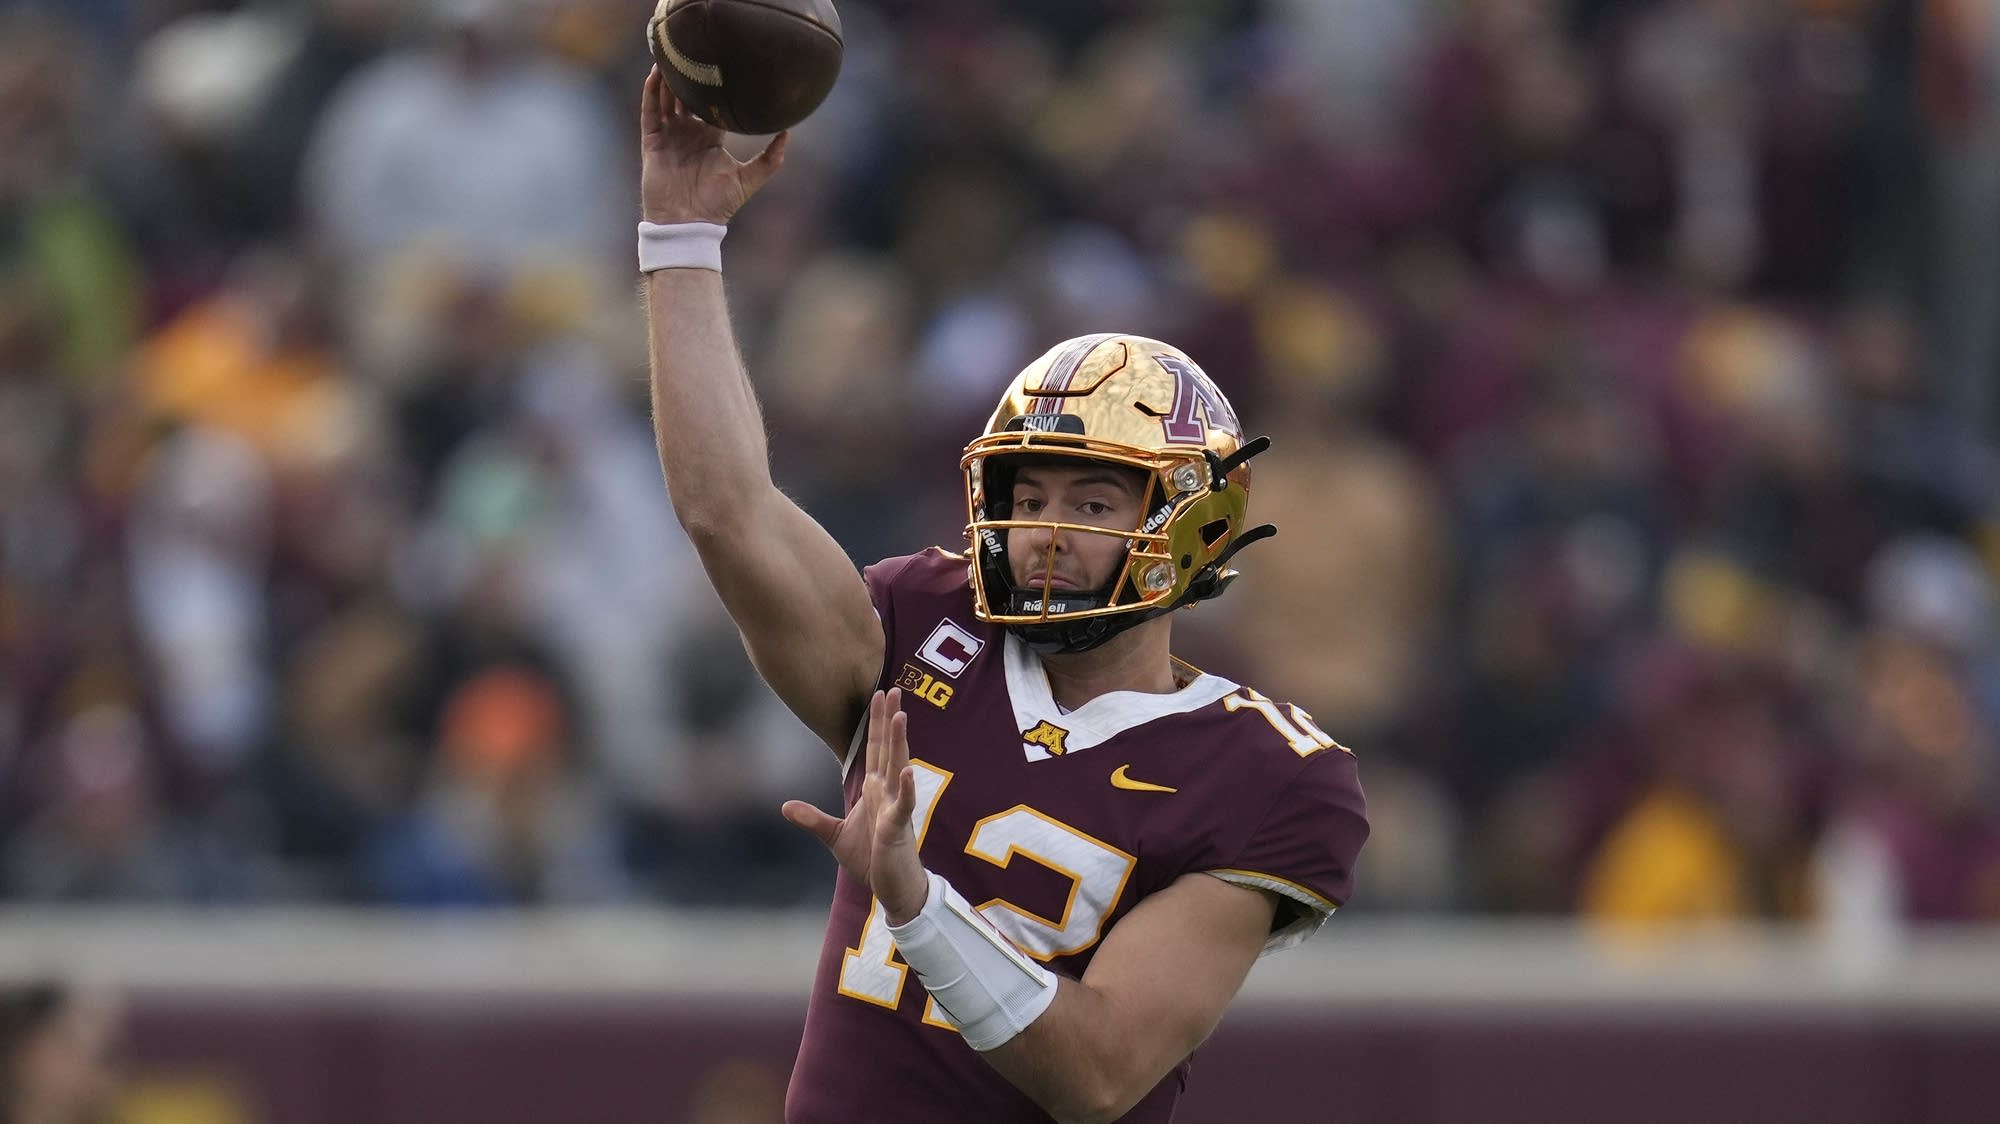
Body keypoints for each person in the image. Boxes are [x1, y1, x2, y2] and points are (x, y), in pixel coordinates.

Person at [637, 67, 1368, 1124]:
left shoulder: (1266, 775)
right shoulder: (918, 626)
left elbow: (1100, 1069)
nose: (1047, 529)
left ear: (1192, 523)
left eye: (1093, 498)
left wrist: (915, 901)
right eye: (1028, 494)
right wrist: (679, 234)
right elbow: (725, 508)